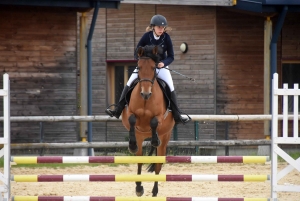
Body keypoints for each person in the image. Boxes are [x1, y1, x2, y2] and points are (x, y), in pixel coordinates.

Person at [105, 14, 190, 125]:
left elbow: (171, 56)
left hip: (161, 67)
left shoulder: (166, 38)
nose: (161, 29)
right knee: (129, 82)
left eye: (163, 27)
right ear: (153, 27)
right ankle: (118, 110)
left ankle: (177, 115)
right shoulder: (146, 36)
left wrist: (163, 63)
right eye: (159, 27)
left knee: (170, 86)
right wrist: (141, 61)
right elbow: (137, 51)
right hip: (146, 67)